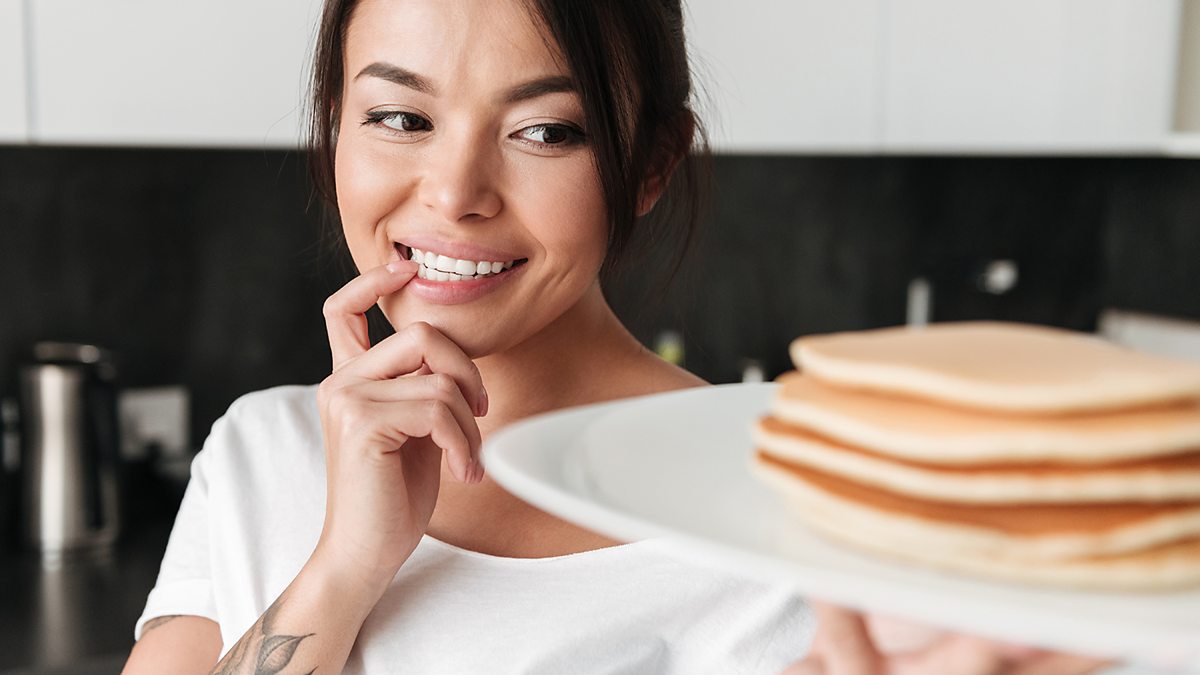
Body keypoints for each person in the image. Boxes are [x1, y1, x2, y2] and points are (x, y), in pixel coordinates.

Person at [121, 0, 1113, 673]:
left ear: (649, 164)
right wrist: (343, 566)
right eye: (397, 115)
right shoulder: (261, 453)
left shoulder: (792, 520)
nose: (454, 194)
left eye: (546, 131)